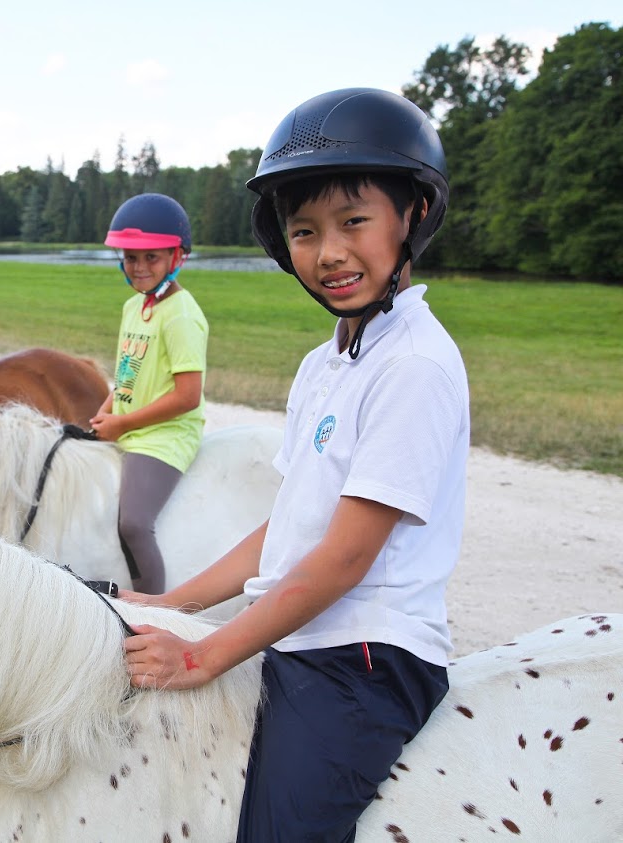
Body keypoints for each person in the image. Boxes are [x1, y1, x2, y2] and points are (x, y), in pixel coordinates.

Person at [121, 88, 470, 841]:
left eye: (353, 222)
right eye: (305, 231)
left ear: (412, 215)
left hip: (366, 661)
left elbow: (343, 558)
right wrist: (172, 603)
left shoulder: (414, 365)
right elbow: (290, 525)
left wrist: (204, 654)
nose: (329, 252)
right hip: (304, 636)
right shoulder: (327, 360)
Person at [90, 193, 208, 594]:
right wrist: (105, 411)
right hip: (130, 425)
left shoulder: (181, 315)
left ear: (178, 258)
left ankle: (153, 609)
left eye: (151, 258)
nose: (139, 268)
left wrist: (122, 423)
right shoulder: (132, 307)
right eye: (131, 258)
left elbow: (188, 396)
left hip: (166, 434)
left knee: (134, 524)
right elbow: (126, 373)